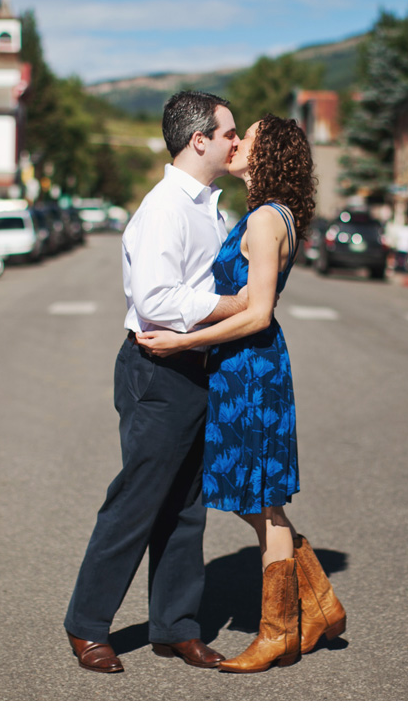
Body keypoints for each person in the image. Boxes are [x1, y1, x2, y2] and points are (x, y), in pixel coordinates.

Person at [137, 114, 346, 674]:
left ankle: (277, 633)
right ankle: (320, 605)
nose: (235, 143)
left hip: (251, 371)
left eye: (245, 136)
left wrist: (185, 339)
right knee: (255, 499)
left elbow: (257, 313)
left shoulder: (264, 220)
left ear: (267, 151)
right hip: (242, 368)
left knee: (261, 501)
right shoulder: (269, 215)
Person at [63, 91, 249, 674]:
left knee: (186, 506)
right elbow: (156, 299)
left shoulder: (207, 205)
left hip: (195, 366)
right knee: (137, 502)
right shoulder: (165, 206)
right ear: (200, 140)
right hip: (157, 368)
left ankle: (175, 628)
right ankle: (87, 625)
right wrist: (232, 305)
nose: (235, 142)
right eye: (228, 133)